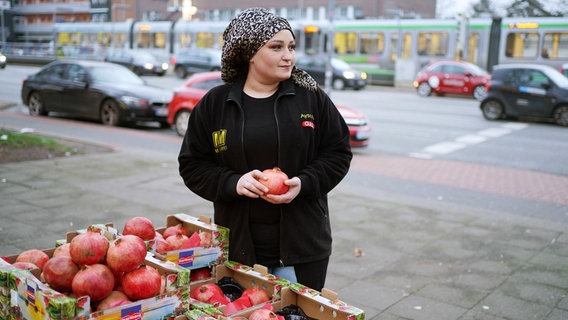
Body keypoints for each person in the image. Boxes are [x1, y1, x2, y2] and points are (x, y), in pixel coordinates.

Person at [178, 7, 352, 291]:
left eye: (292, 47)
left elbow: (338, 153)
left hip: (303, 247)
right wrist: (233, 183)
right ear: (248, 52)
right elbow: (192, 165)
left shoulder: (310, 98)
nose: (289, 55)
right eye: (277, 47)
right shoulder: (215, 104)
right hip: (239, 249)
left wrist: (305, 183)